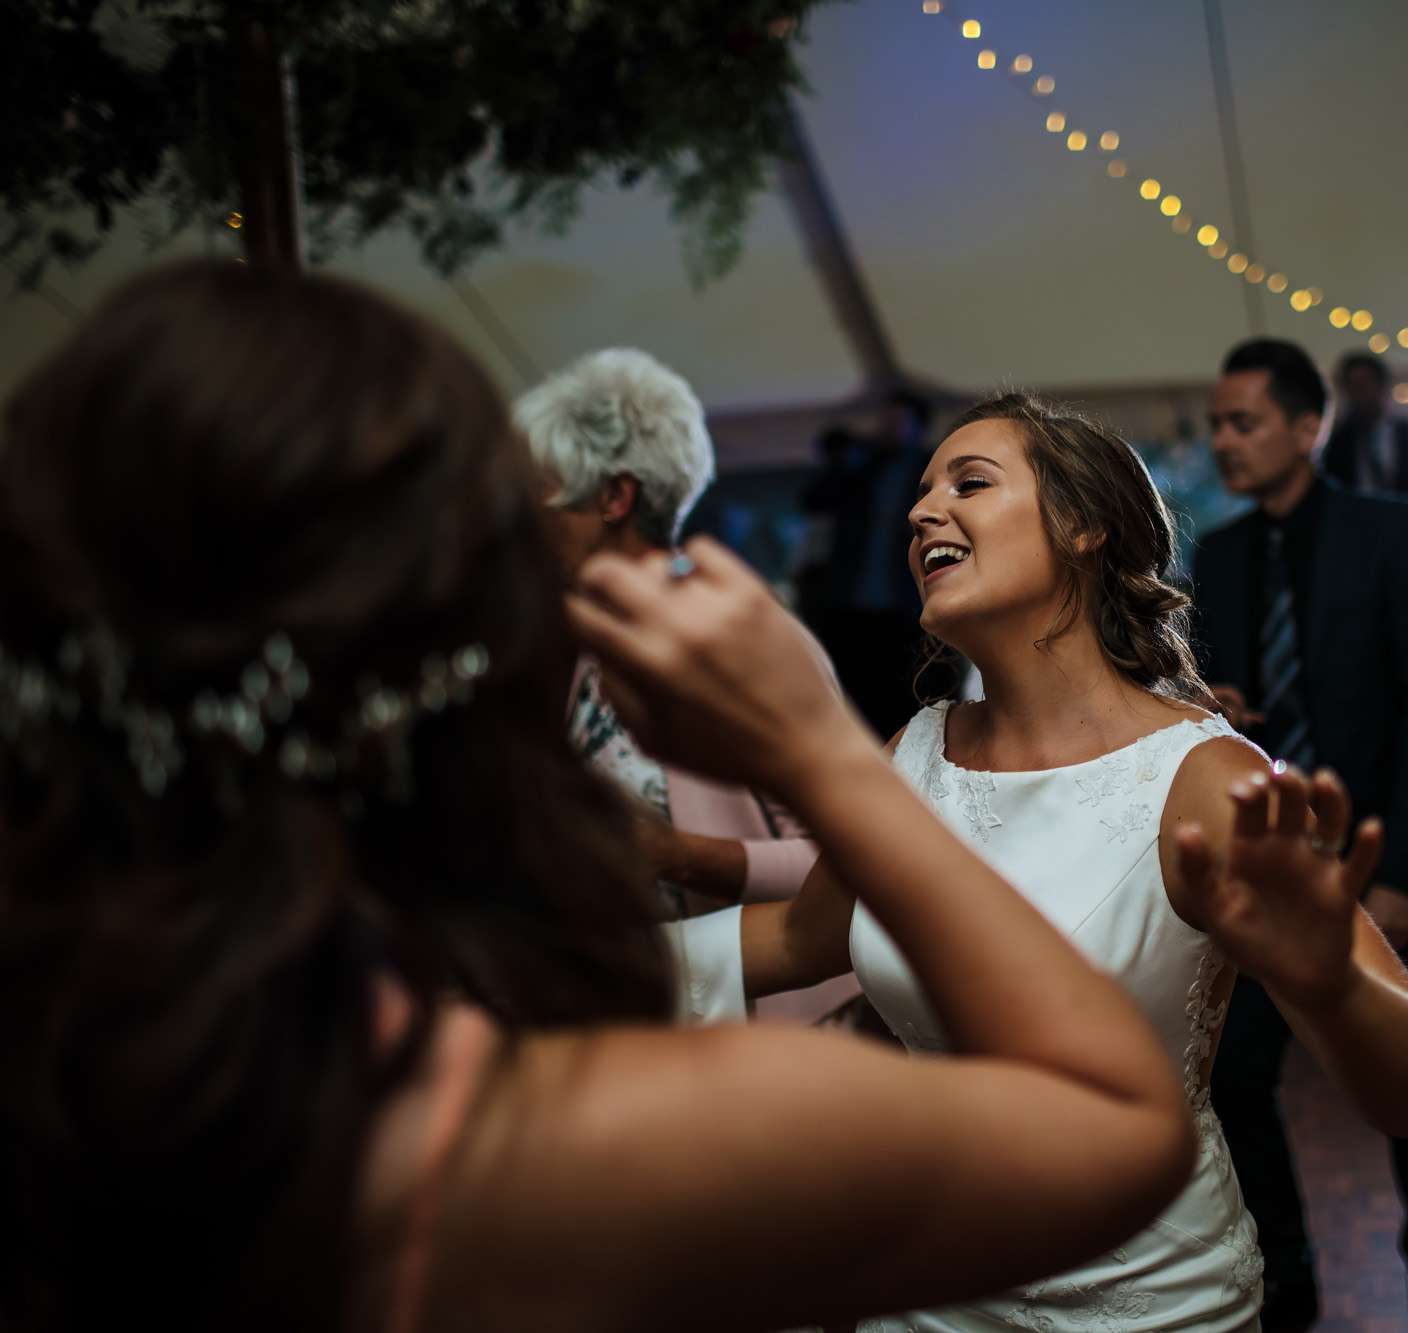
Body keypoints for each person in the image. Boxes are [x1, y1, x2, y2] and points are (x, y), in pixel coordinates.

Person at [0, 260, 1215, 1331]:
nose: (920, 510)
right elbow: (1115, 1120)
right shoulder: (525, 1138)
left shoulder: (84, 1058)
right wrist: (825, 754)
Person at [689, 392, 1408, 1330]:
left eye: (970, 484)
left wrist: (1332, 985)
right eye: (923, 491)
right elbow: (800, 935)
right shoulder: (911, 755)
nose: (921, 511)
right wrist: (546, 953)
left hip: (1147, 1308)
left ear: (1084, 526)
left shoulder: (1208, 780)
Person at [1194, 339, 1408, 1333]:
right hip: (1276, 864)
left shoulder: (1392, 533)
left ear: (1305, 427)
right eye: (1217, 425)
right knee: (1233, 1073)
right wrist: (1214, 706)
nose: (1224, 441)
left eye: (1243, 422)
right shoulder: (1216, 556)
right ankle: (1290, 1271)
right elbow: (1211, 714)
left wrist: (1396, 870)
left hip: (1383, 858)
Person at [514, 347, 852, 1022]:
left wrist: (683, 856)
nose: (523, 520)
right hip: (639, 1006)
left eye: (541, 497)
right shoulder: (577, 641)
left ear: (614, 497)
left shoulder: (740, 637)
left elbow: (845, 854)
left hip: (763, 1026)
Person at [799, 388, 935, 738]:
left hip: (905, 602)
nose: (887, 427)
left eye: (897, 420)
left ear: (918, 426)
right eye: (885, 419)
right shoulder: (866, 466)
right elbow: (813, 500)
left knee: (897, 694)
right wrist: (846, 459)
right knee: (850, 690)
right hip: (850, 600)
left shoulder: (930, 467)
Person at [1320, 351, 1408, 522]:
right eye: (1352, 385)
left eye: (1365, 383)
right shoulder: (1335, 444)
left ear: (1382, 385)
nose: (1360, 392)